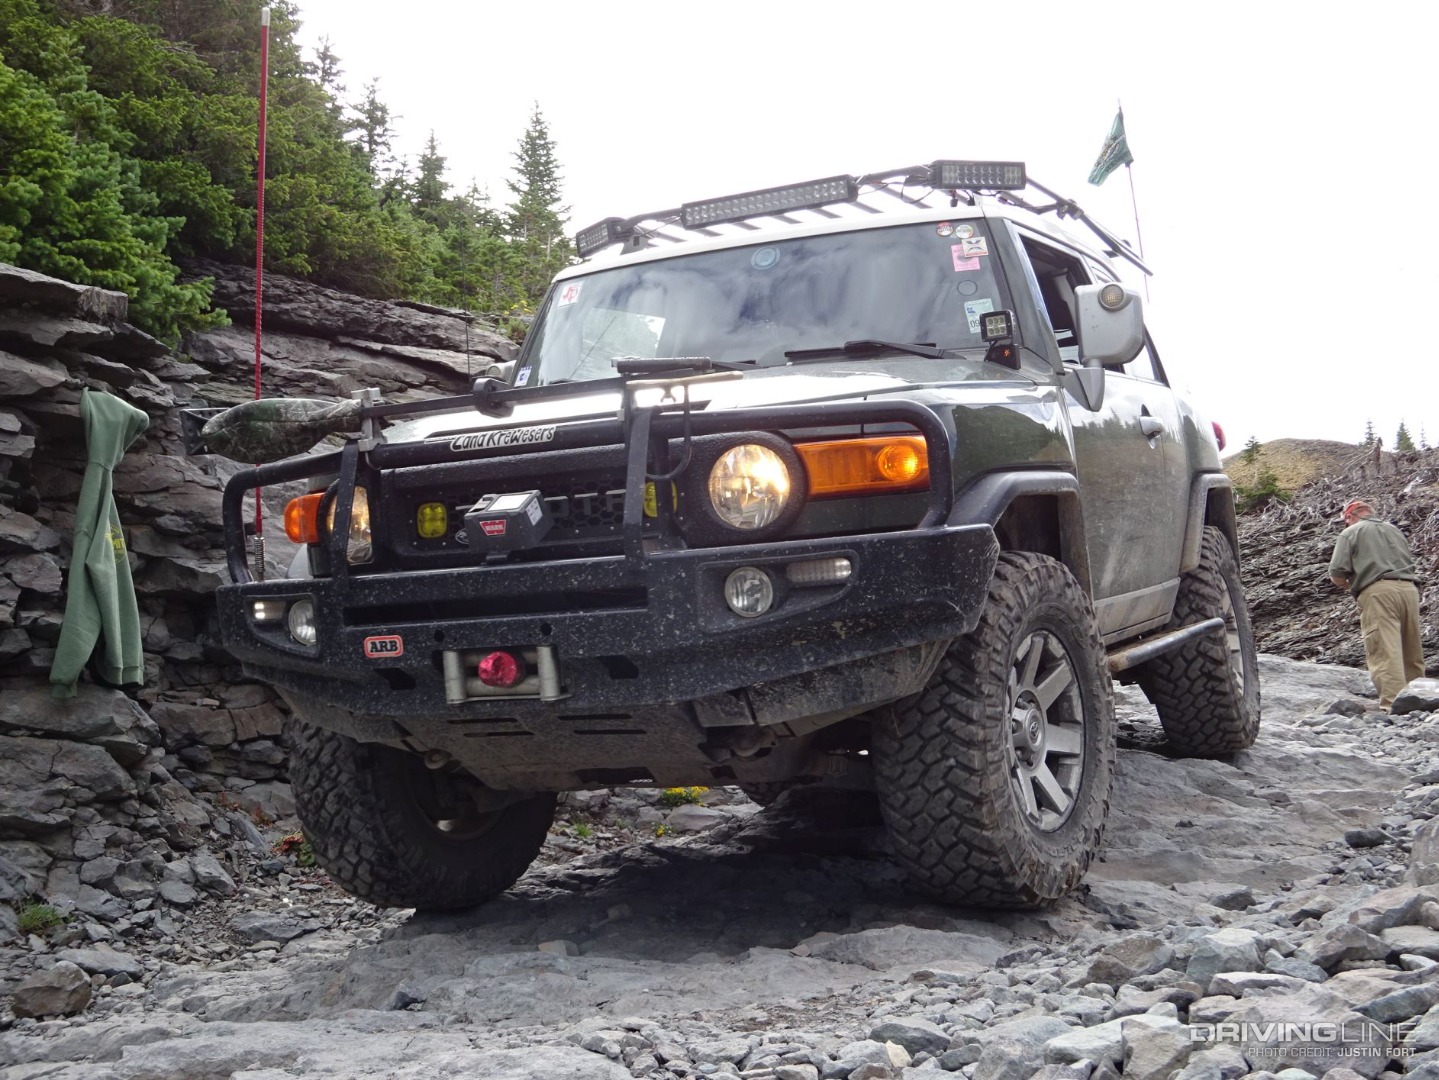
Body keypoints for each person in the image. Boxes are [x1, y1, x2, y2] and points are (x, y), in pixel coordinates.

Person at [1328, 498, 1425, 709]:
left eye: (1346, 521)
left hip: (1377, 591)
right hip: (1409, 589)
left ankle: (1393, 705)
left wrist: (1352, 586)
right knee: (1411, 649)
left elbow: (1337, 573)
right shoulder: (1394, 530)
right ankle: (1420, 701)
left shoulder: (1351, 532)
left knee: (1384, 648)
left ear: (1349, 517)